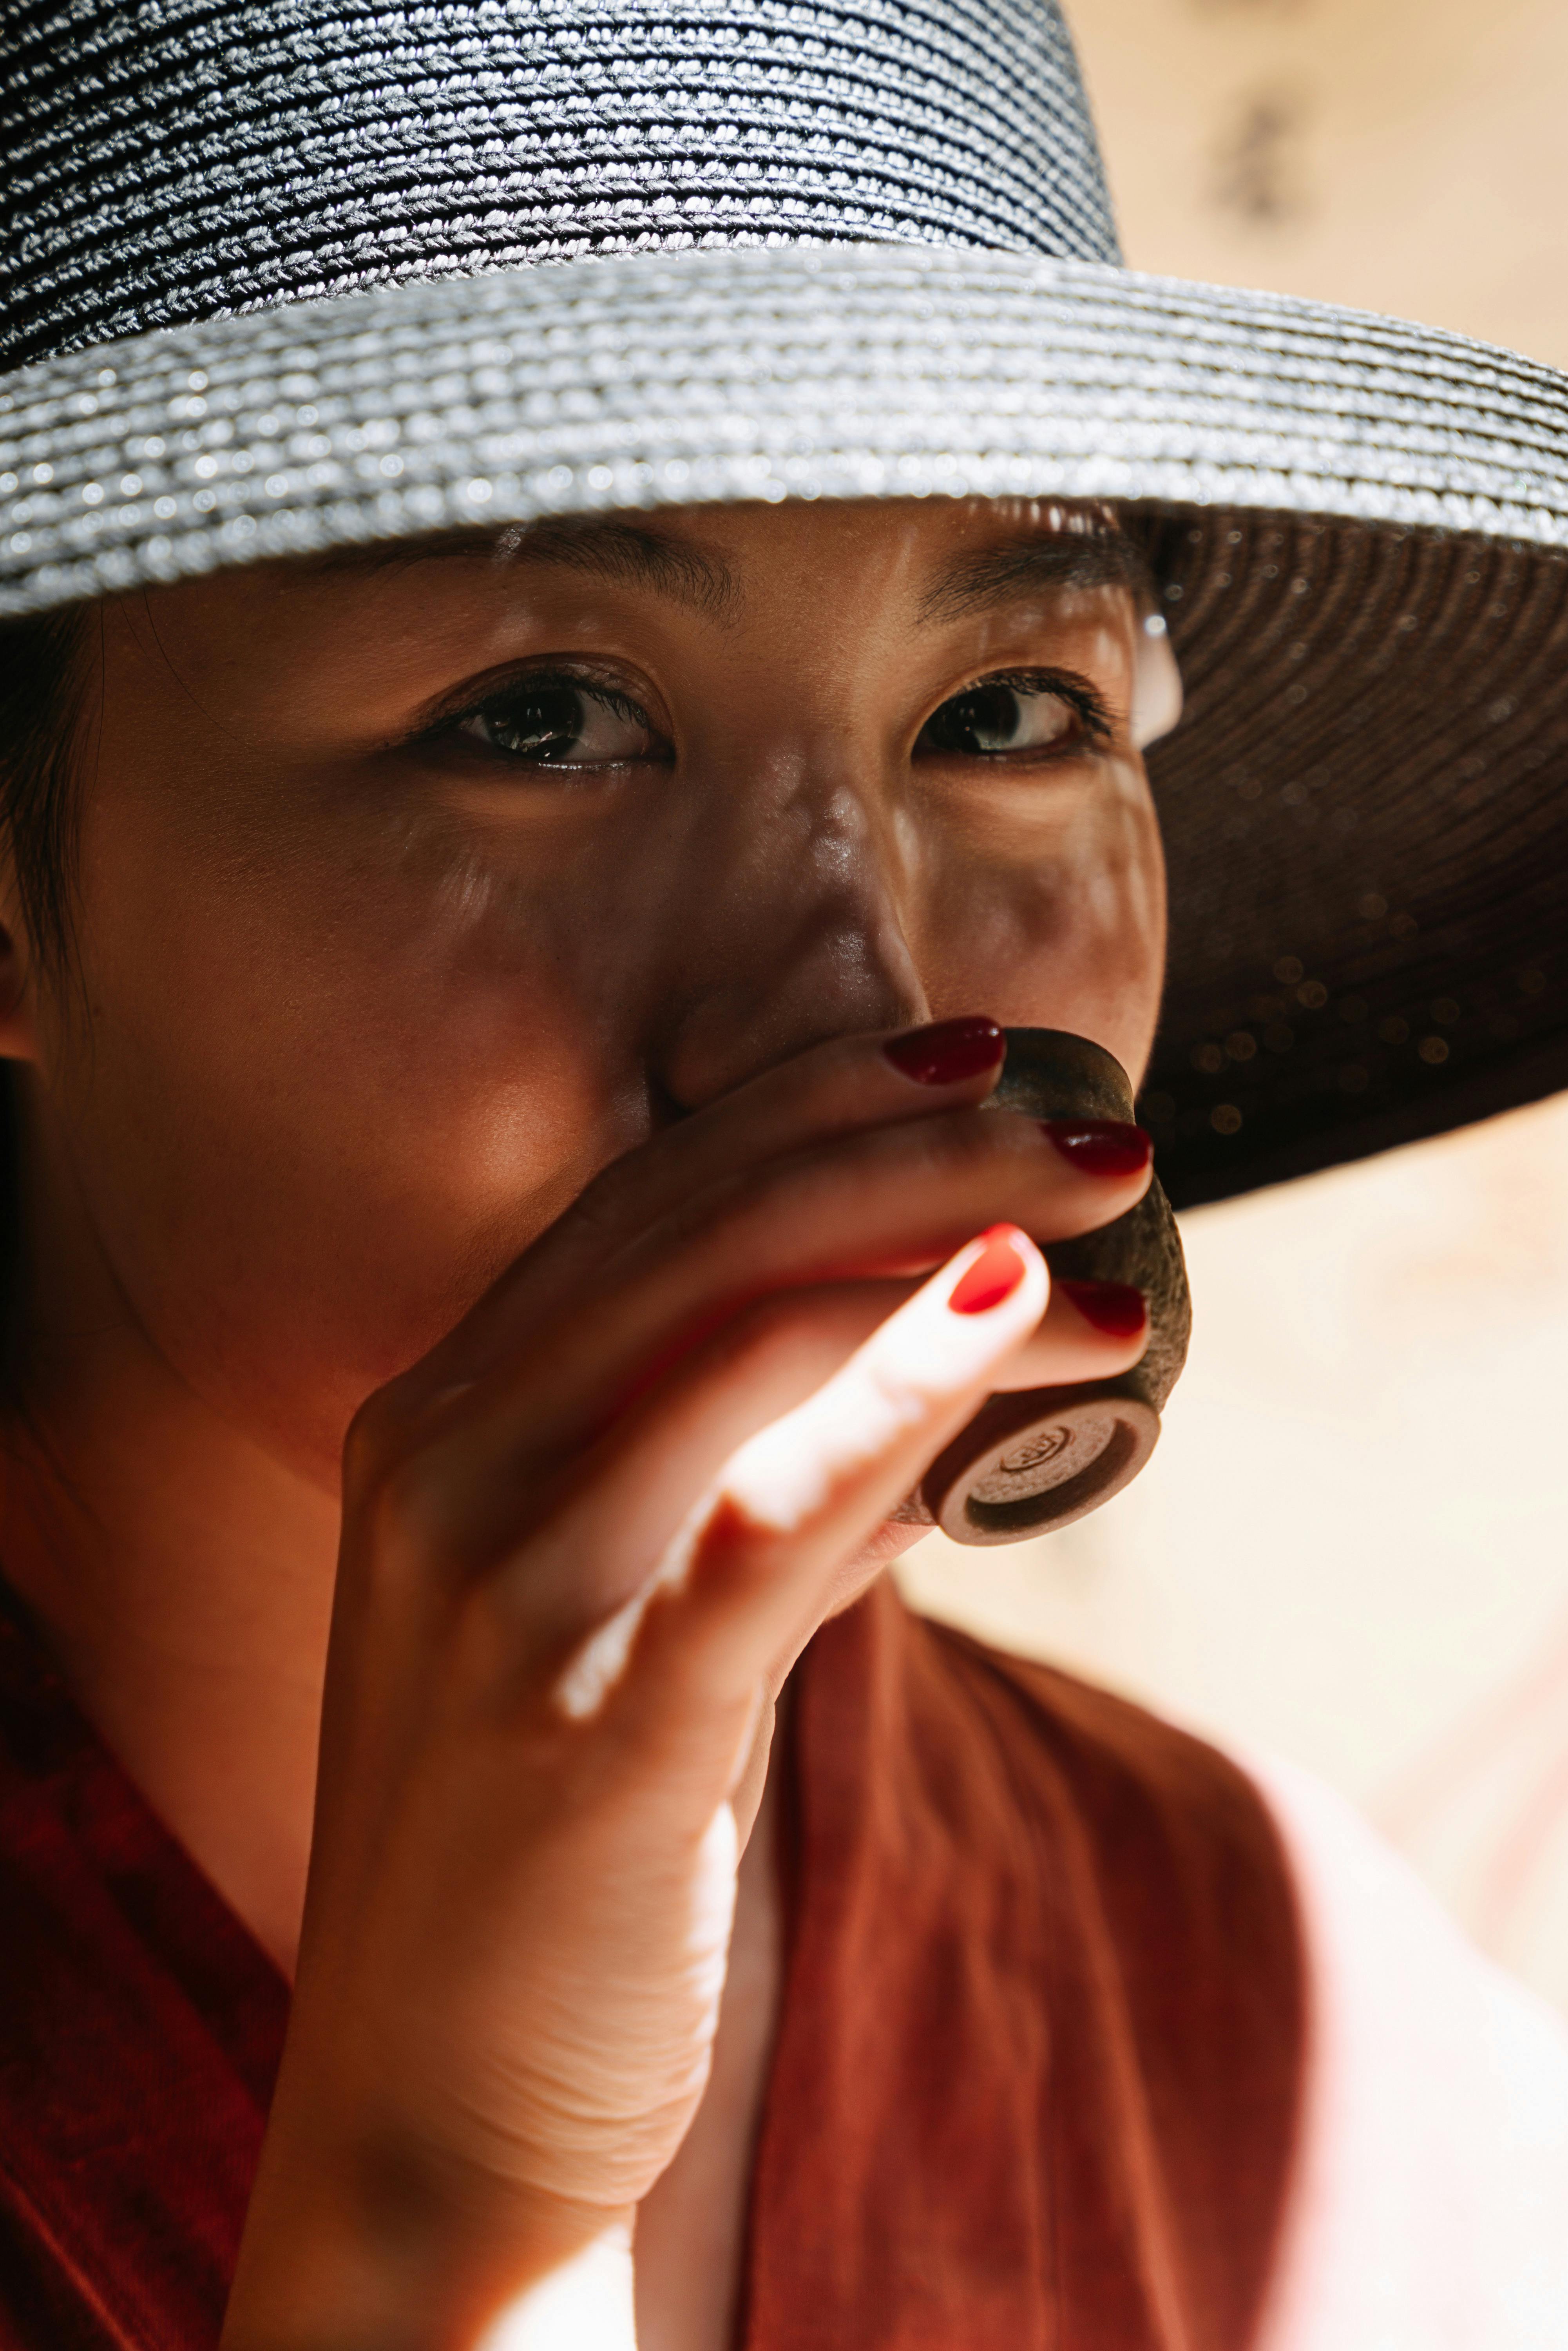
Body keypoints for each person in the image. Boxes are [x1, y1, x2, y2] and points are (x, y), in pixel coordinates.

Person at [1, 5, 1565, 2348]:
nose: (843, 1002)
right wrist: (457, 2212)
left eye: (1006, 713)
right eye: (540, 718)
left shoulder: (1305, 2062)